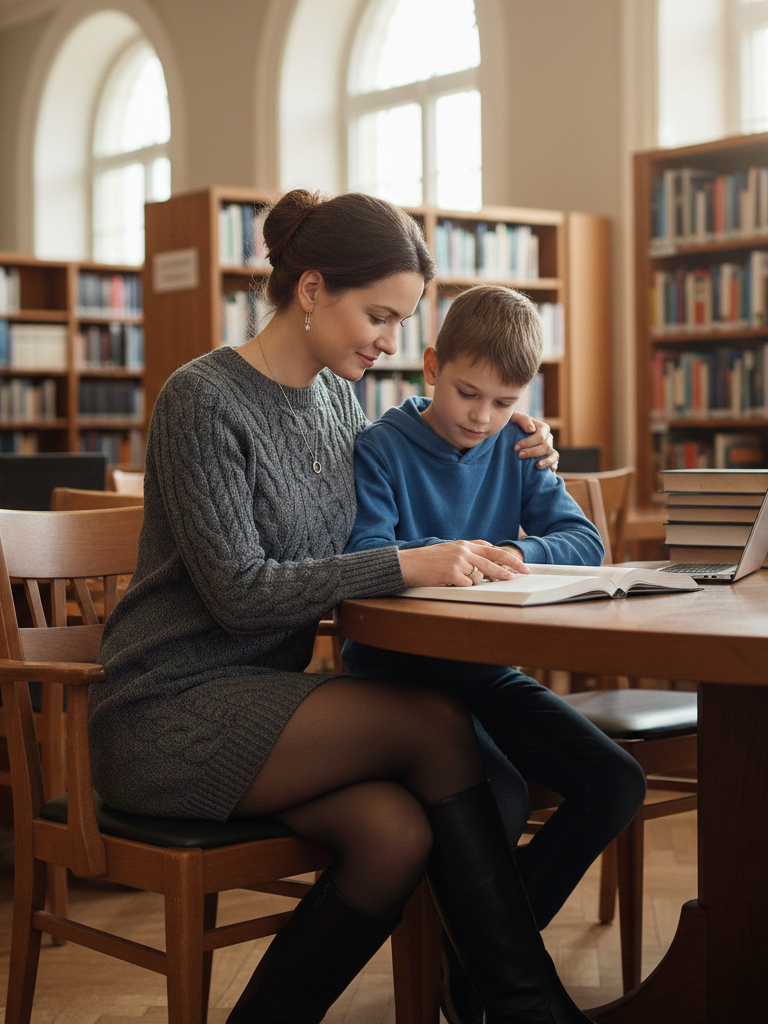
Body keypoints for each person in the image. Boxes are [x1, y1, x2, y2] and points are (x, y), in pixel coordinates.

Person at [90, 188, 597, 1024]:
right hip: (166, 711)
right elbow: (241, 592)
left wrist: (517, 433)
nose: (390, 341)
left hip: (273, 708)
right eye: (379, 315)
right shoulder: (202, 398)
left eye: (401, 322)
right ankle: (525, 1005)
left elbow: (422, 460)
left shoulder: (335, 402)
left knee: (394, 835)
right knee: (433, 723)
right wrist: (403, 564)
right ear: (313, 288)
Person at [344, 285, 648, 1024]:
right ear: (430, 367)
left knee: (614, 781)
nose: (480, 416)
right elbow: (367, 555)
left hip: (486, 672)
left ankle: (473, 968)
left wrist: (517, 551)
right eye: (467, 393)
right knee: (501, 797)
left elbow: (584, 542)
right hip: (399, 681)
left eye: (504, 401)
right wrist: (454, 555)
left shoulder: (517, 445)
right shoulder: (381, 448)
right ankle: (495, 977)